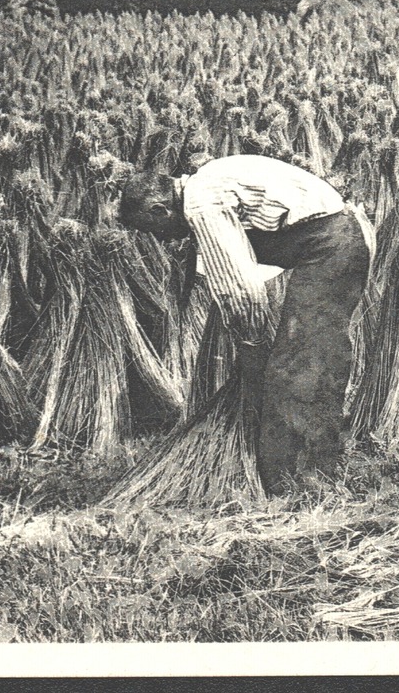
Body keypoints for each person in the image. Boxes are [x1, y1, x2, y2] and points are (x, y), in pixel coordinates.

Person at [119, 155, 374, 490]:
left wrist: (252, 343)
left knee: (300, 366)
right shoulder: (205, 182)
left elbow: (242, 287)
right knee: (305, 359)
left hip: (331, 246)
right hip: (330, 241)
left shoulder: (202, 204)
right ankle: (304, 468)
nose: (162, 240)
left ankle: (300, 480)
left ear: (159, 210)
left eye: (154, 230)